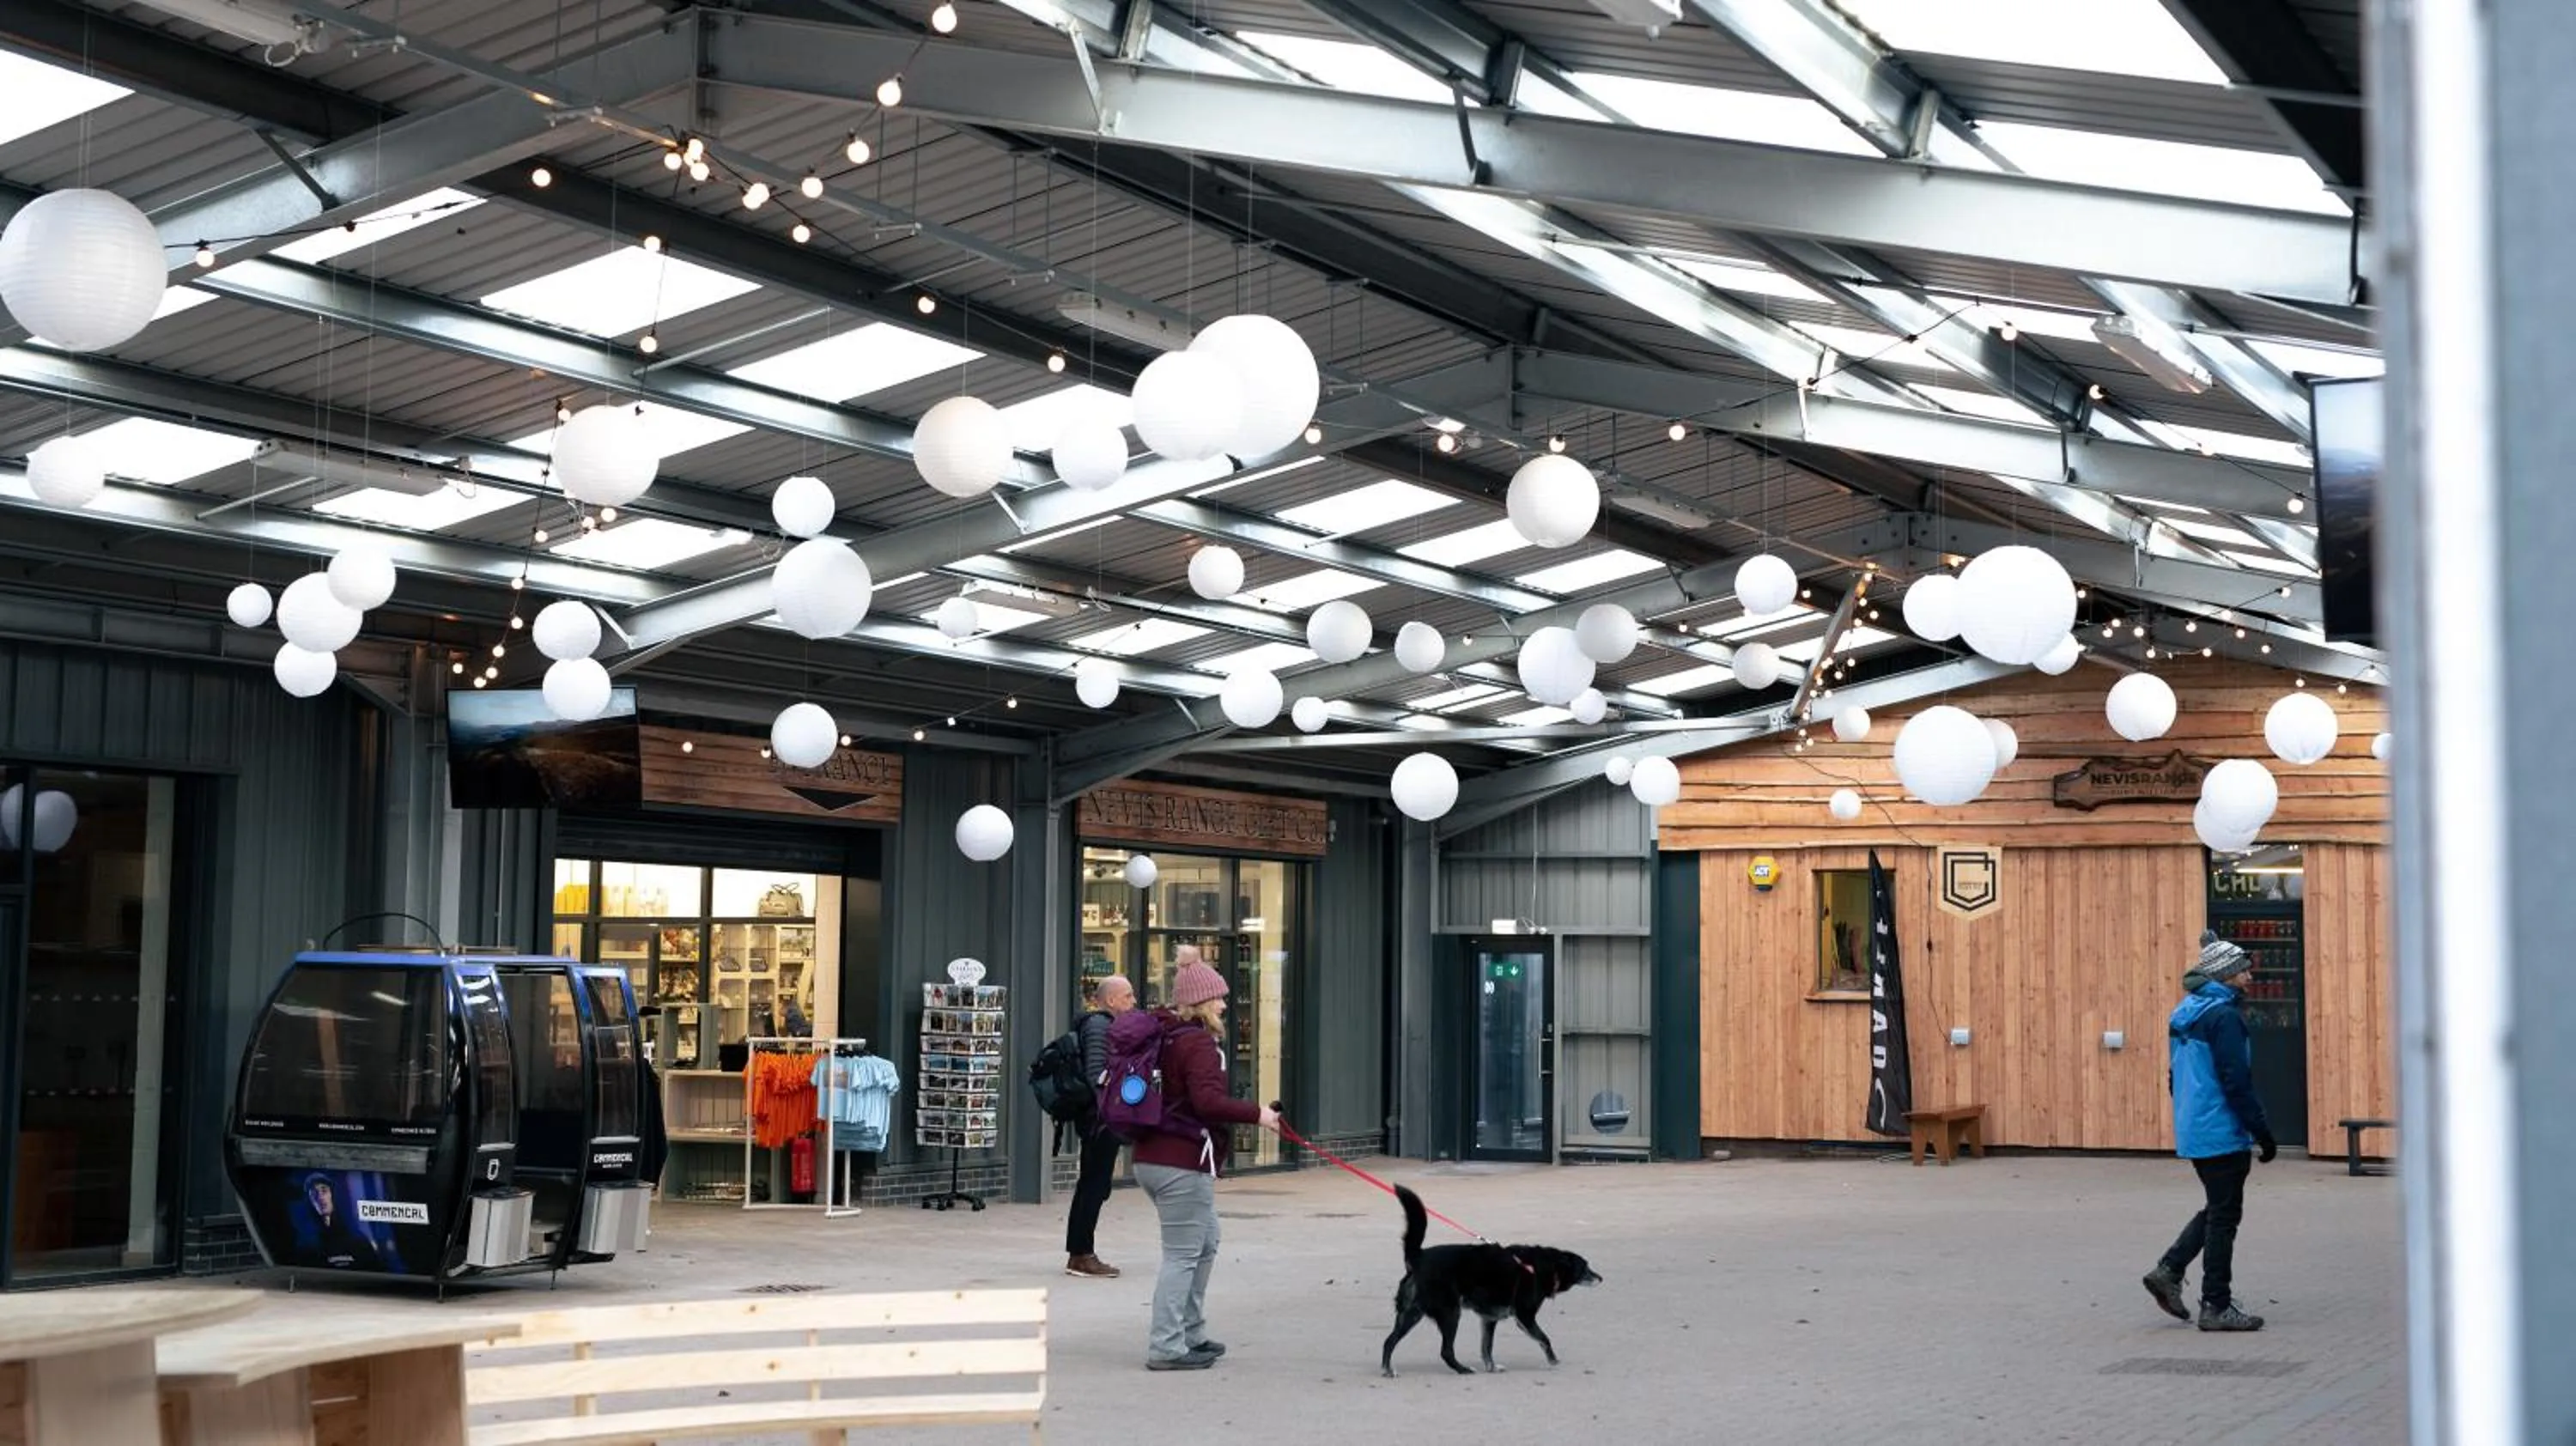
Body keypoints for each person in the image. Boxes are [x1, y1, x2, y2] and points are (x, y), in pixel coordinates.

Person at [1132, 957, 1279, 1371]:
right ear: (1199, 1002)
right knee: (1181, 1255)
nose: (1224, 1005)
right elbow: (1207, 1102)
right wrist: (1259, 1114)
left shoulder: (1167, 1037)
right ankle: (1166, 1345)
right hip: (1181, 1161)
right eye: (1218, 997)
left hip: (1153, 1158)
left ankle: (1191, 1332)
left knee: (1207, 1240)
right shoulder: (1197, 1044)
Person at [2144, 931, 2276, 1332]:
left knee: (2219, 1207)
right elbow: (2236, 1079)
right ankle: (2216, 1304)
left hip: (2195, 1124)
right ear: (2226, 975)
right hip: (2220, 1127)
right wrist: (2262, 1131)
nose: (2250, 977)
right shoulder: (2224, 1017)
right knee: (2225, 1215)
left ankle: (2169, 1271)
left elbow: (2174, 1076)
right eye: (2243, 971)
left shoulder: (2187, 1012)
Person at [1064, 974, 1136, 1279]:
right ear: (1110, 1000)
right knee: (1094, 1185)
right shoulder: (1099, 1027)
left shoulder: (1105, 1026)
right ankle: (1081, 1255)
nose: (1133, 1002)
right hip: (1099, 1120)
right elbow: (1097, 1074)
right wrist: (1112, 1111)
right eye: (1128, 996)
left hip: (1100, 1118)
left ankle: (1079, 1252)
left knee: (1094, 1185)